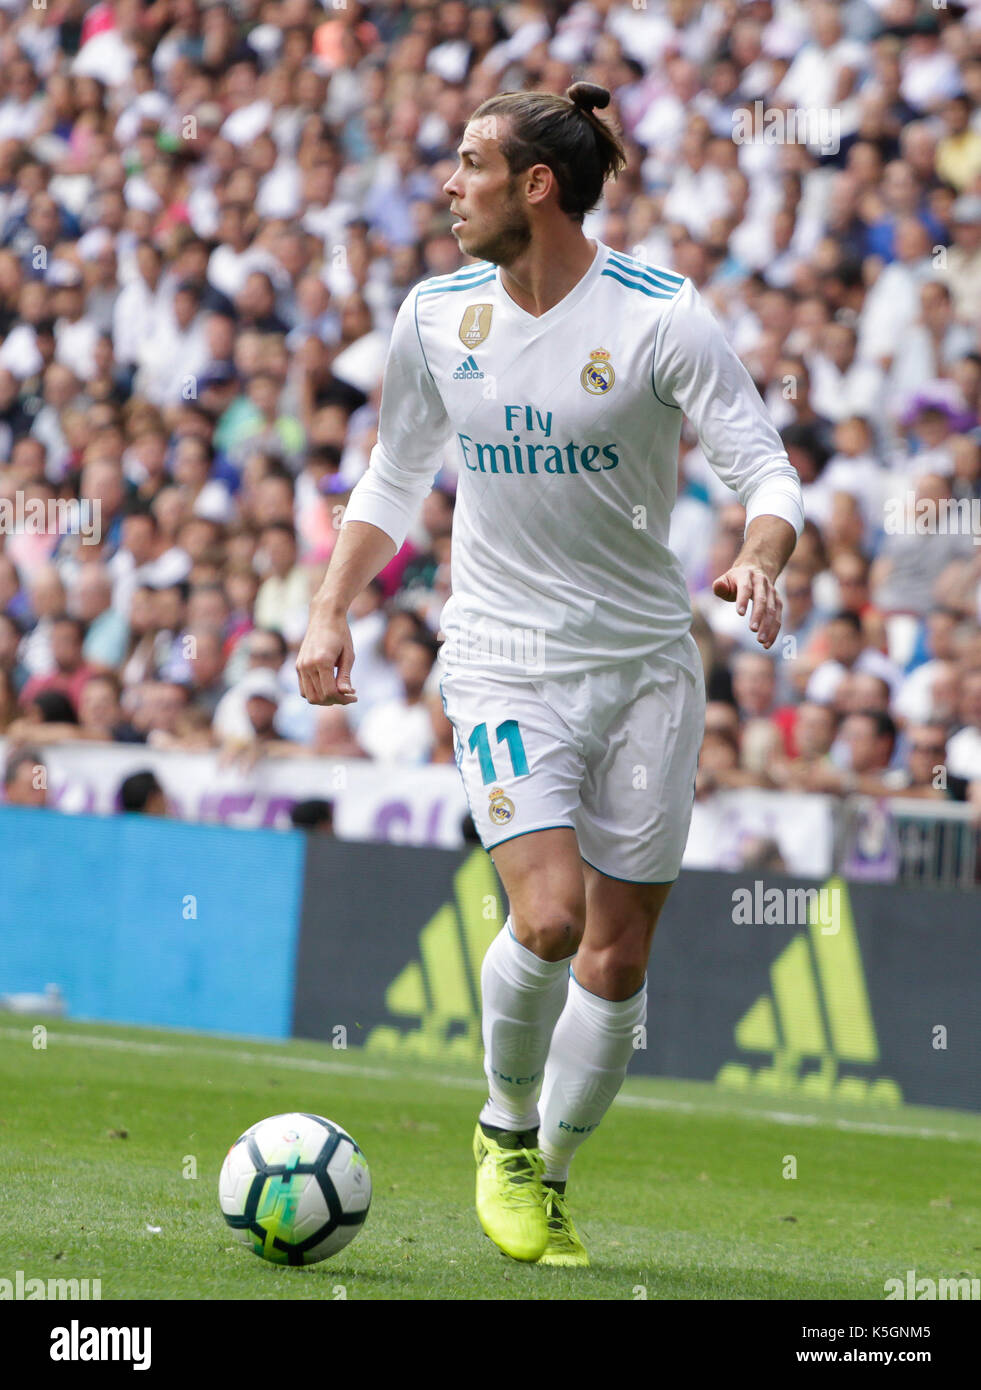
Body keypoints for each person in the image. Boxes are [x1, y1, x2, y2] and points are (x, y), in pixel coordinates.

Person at [296, 84, 804, 1268]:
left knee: (618, 958)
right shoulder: (433, 318)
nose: (447, 184)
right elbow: (392, 478)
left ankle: (554, 1169)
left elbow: (767, 475)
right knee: (550, 914)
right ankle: (502, 1131)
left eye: (470, 164)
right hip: (501, 657)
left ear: (536, 186)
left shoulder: (663, 317)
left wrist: (760, 560)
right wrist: (329, 608)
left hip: (644, 671)